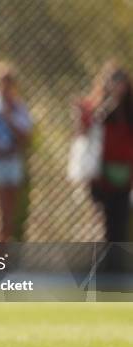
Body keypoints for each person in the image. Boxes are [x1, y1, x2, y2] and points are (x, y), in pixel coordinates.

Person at [75, 62, 133, 244]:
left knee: (120, 222)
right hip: (100, 173)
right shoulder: (96, 107)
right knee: (102, 219)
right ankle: (101, 266)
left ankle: (115, 267)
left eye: (120, 82)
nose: (117, 86)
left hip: (125, 173)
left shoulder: (129, 109)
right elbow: (84, 131)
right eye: (112, 81)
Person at [0, 62, 33, 242]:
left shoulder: (18, 106)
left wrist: (9, 117)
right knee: (0, 211)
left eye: (9, 82)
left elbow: (26, 135)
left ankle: (6, 252)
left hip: (13, 159)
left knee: (11, 211)